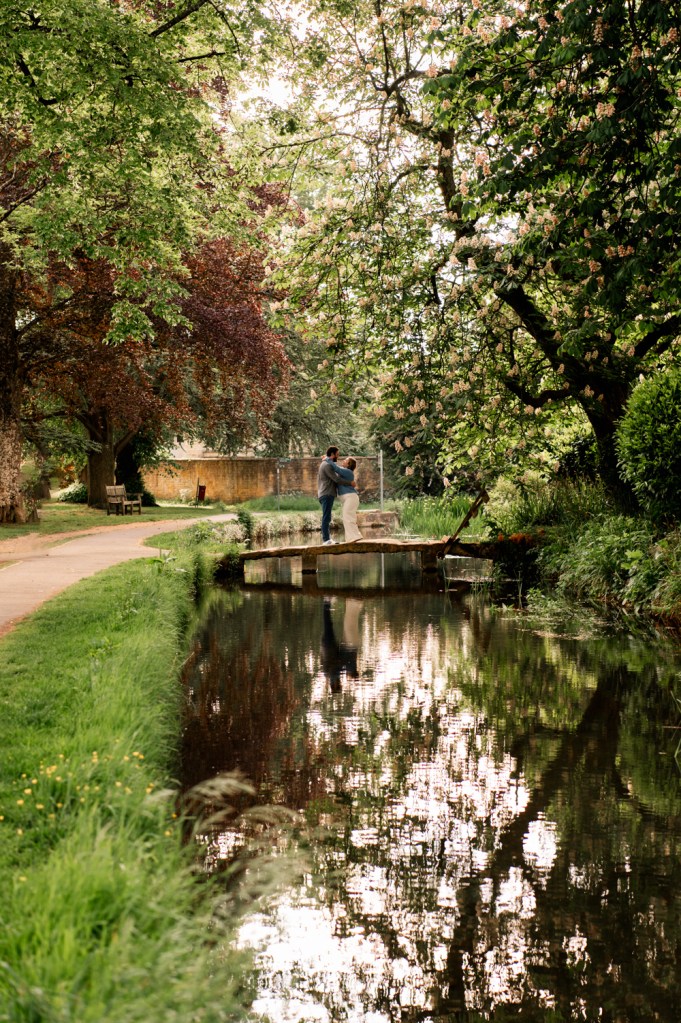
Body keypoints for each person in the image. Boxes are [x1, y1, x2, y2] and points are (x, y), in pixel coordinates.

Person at [317, 446, 354, 545]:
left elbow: (336, 473)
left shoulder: (327, 463)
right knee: (326, 517)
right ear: (332, 454)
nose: (338, 456)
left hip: (325, 493)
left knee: (327, 516)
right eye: (337, 454)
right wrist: (350, 483)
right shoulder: (327, 465)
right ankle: (326, 540)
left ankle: (327, 539)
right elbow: (336, 479)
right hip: (326, 493)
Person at [337, 457, 362, 542]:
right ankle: (355, 536)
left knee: (347, 517)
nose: (343, 461)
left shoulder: (347, 471)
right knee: (349, 517)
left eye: (345, 460)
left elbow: (336, 468)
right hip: (350, 498)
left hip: (350, 497)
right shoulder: (345, 472)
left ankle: (352, 538)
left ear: (348, 464)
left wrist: (327, 459)